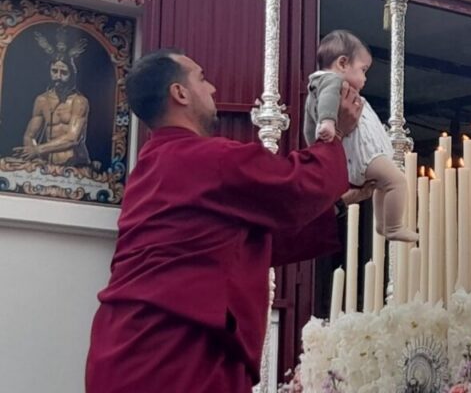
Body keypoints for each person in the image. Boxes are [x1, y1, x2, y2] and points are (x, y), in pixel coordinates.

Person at [85, 49, 364, 393]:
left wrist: (335, 206)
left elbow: (238, 244)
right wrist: (334, 133)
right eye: (202, 78)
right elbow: (300, 185)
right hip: (175, 354)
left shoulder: (150, 168)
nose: (214, 88)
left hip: (127, 349)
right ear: (180, 93)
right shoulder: (207, 158)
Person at [304, 29, 418, 242]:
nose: (365, 78)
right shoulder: (330, 82)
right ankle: (392, 225)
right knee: (397, 181)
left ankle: (384, 224)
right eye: (363, 70)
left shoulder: (337, 87)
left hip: (365, 153)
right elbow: (322, 108)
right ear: (342, 63)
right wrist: (328, 122)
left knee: (385, 184)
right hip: (363, 155)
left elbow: (307, 127)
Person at [14, 29, 90, 166]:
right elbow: (29, 136)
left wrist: (38, 150)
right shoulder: (42, 100)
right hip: (47, 165)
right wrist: (34, 158)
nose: (58, 77)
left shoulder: (79, 101)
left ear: (72, 75)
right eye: (54, 71)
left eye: (64, 73)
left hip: (74, 165)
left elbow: (72, 138)